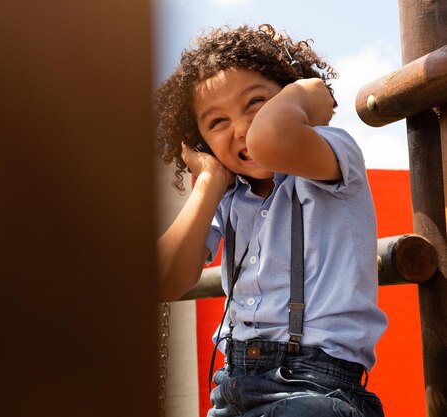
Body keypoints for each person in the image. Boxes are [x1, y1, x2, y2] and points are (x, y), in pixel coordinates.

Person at [154, 24, 388, 417]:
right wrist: (209, 180)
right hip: (231, 387)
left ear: (286, 98)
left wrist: (307, 90)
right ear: (201, 143)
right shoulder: (226, 194)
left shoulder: (331, 152)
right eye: (217, 123)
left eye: (256, 102)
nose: (244, 129)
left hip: (318, 389)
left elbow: (271, 139)